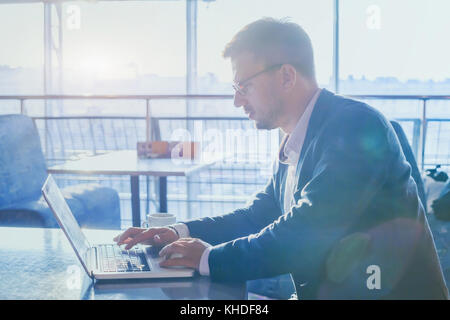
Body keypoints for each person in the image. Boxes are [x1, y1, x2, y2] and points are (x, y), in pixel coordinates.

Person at [114, 18, 449, 299]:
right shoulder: (298, 135)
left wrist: (209, 258)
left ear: (286, 76)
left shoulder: (356, 126)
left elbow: (304, 234)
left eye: (243, 86)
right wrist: (179, 231)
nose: (237, 101)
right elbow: (260, 214)